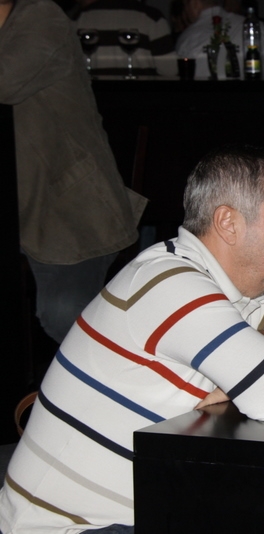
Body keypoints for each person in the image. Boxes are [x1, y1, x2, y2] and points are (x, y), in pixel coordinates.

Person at [0, 145, 264, 532]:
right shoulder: (169, 284)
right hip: (73, 527)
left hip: (148, 510)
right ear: (228, 223)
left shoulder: (250, 292)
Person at [0, 0, 147, 346]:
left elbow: (5, 81)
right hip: (18, 207)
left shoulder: (41, 15)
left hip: (67, 210)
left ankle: (132, 372)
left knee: (63, 311)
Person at [176, 0, 264, 79]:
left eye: (185, 6)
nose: (185, 13)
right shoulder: (258, 28)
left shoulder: (187, 38)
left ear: (195, 4)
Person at [75, 0, 178, 76]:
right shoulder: (151, 17)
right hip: (141, 96)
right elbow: (169, 70)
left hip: (94, 96)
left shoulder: (79, 17)